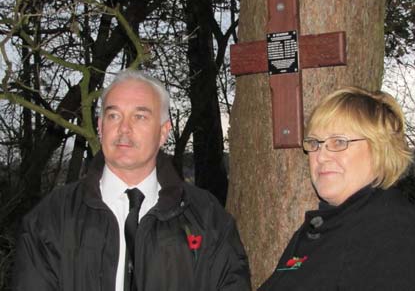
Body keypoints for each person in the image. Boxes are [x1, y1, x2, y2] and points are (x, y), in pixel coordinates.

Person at [13, 69, 251, 291]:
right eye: (114, 115)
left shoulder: (207, 218)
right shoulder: (51, 218)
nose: (124, 129)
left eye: (140, 116)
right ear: (100, 126)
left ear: (164, 132)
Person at [259, 87, 415, 290]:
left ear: (380, 150)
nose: (321, 155)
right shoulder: (324, 228)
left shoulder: (396, 240)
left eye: (339, 142)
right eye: (315, 143)